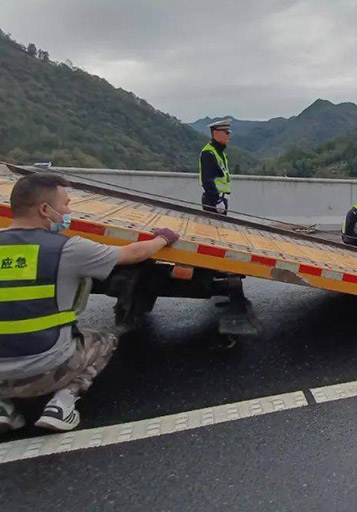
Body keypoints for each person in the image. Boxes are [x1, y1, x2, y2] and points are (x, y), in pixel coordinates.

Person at [0, 174, 180, 433]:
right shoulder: (68, 249)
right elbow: (131, 254)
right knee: (105, 341)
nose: (69, 211)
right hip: (45, 371)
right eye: (65, 205)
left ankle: (4, 406)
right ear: (44, 209)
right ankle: (62, 404)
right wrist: (163, 238)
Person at [200, 119, 233, 214]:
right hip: (214, 200)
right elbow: (207, 180)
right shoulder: (209, 153)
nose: (228, 136)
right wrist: (217, 201)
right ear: (216, 133)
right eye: (226, 133)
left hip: (221, 198)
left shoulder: (220, 152)